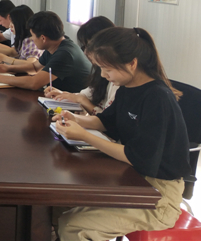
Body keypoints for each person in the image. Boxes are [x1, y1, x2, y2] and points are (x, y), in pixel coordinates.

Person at [55, 27, 190, 241]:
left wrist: (84, 136)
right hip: (133, 179)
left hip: (159, 197)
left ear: (132, 63)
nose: (103, 75)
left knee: (73, 227)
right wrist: (76, 119)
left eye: (106, 68)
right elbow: (106, 121)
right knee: (59, 205)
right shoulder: (127, 88)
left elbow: (137, 157)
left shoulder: (158, 98)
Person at [0, 11, 91, 92]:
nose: (32, 39)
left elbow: (34, 83)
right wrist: (8, 68)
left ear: (43, 38)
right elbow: (34, 67)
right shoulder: (57, 43)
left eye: (33, 36)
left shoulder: (65, 54)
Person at [45, 16, 117, 114]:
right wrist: (63, 95)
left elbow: (107, 119)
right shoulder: (99, 71)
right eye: (84, 46)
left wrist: (81, 100)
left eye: (88, 46)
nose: (85, 52)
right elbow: (85, 94)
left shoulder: (117, 80)